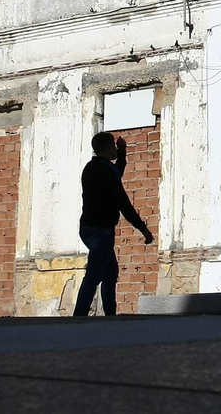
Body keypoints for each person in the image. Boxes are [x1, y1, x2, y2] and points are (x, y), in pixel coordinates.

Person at [73, 131, 153, 317]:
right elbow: (123, 203)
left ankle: (110, 315)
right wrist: (143, 229)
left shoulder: (92, 168)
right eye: (113, 146)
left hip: (88, 228)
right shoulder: (105, 171)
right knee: (94, 275)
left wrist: (123, 152)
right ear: (107, 147)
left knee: (109, 272)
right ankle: (79, 316)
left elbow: (117, 172)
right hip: (101, 230)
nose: (115, 149)